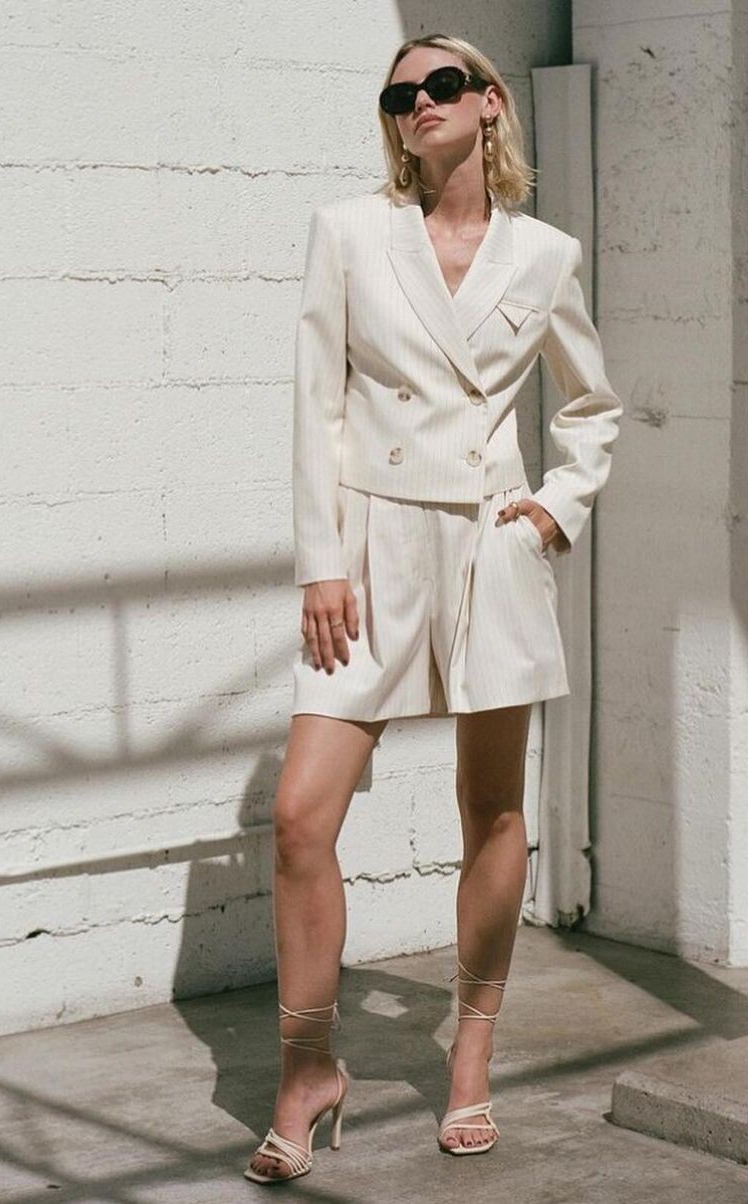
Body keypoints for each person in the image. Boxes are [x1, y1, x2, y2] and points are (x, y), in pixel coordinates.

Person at [245, 33, 623, 1183]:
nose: (420, 104)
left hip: (487, 549)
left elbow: (593, 406)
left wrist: (553, 509)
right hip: (370, 548)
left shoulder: (545, 255)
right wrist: (321, 560)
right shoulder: (348, 232)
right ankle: (309, 1068)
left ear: (489, 103)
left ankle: (470, 1057)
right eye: (400, 93)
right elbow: (317, 404)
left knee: (491, 808)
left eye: (441, 86)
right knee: (301, 816)